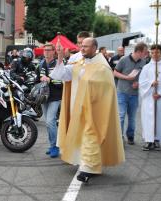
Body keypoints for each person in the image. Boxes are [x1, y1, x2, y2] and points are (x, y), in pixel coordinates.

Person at [50, 37, 125, 183]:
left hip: (95, 109)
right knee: (83, 137)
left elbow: (106, 87)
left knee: (91, 136)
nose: (82, 48)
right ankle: (85, 164)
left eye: (85, 46)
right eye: (81, 46)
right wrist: (59, 56)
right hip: (78, 108)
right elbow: (62, 75)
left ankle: (87, 170)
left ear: (94, 48)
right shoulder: (80, 62)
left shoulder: (102, 66)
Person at [139, 44, 161, 151]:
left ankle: (157, 140)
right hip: (149, 98)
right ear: (150, 53)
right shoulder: (146, 67)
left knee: (160, 118)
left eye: (157, 52)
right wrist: (151, 84)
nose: (155, 55)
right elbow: (142, 82)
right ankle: (148, 140)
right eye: (153, 52)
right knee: (148, 118)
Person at [114, 42, 148, 145]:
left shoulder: (143, 62)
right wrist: (127, 77)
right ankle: (120, 137)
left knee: (132, 117)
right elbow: (114, 72)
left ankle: (130, 136)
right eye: (145, 52)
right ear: (138, 51)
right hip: (122, 92)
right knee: (121, 115)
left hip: (134, 94)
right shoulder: (124, 59)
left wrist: (139, 83)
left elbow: (144, 77)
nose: (146, 54)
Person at [38, 43, 63, 158]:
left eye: (49, 50)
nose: (46, 52)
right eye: (45, 50)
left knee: (49, 121)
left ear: (54, 52)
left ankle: (55, 146)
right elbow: (36, 79)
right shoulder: (41, 64)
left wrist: (50, 80)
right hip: (44, 97)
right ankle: (52, 144)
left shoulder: (58, 64)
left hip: (55, 96)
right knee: (49, 124)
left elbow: (62, 82)